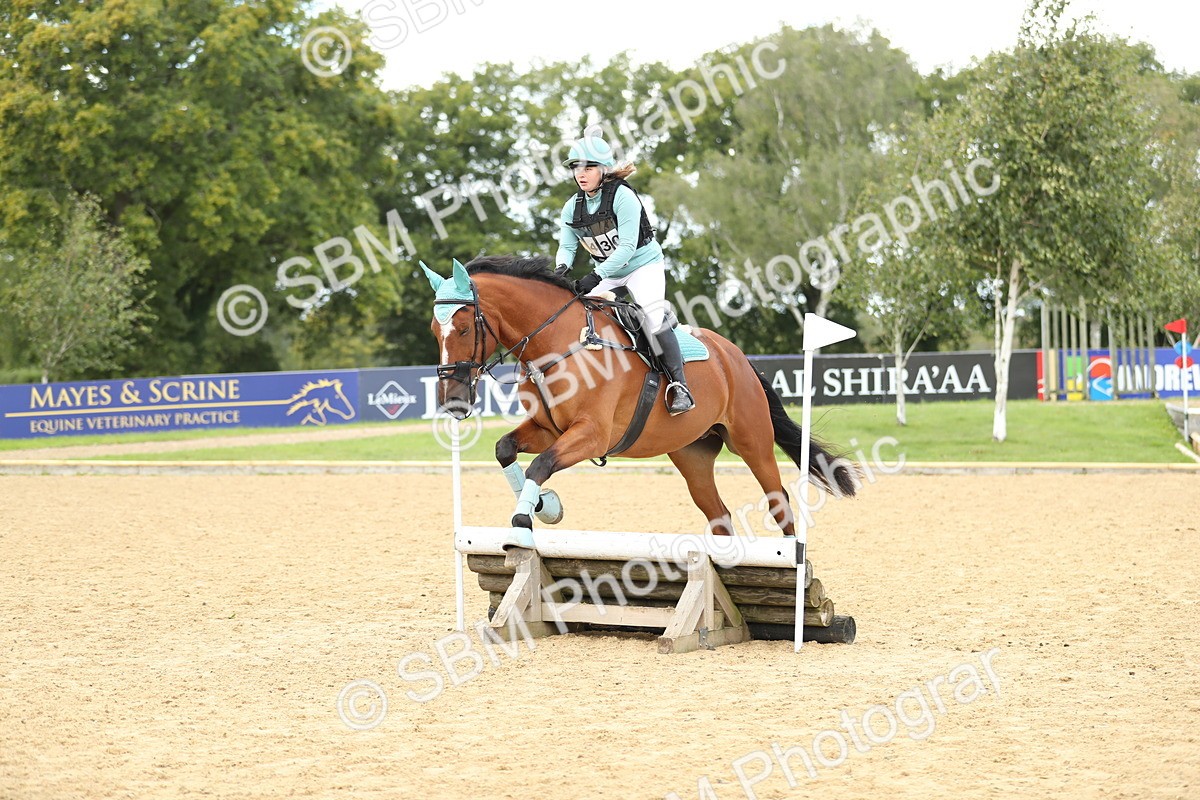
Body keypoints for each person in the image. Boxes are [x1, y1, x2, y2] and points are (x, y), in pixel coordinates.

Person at [554, 133, 695, 416]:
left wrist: (595, 276)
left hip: (642, 266)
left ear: (603, 169)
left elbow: (627, 248)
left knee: (651, 316)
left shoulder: (623, 196)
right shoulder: (572, 206)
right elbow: (567, 246)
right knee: (574, 314)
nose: (581, 174)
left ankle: (680, 386)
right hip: (608, 271)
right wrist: (561, 269)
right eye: (576, 168)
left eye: (588, 167)